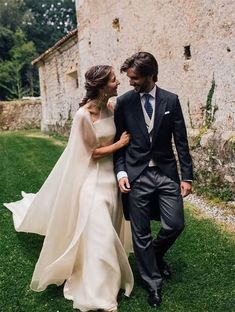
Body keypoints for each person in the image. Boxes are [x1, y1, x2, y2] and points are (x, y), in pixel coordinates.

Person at [4, 65, 134, 312]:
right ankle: (99, 294)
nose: (118, 83)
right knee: (100, 234)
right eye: (114, 80)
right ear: (102, 85)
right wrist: (119, 144)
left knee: (110, 230)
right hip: (93, 181)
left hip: (112, 180)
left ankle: (109, 276)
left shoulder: (111, 108)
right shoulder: (83, 116)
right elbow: (91, 153)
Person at [113, 52, 193, 308]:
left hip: (166, 173)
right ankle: (153, 284)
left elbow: (181, 141)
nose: (131, 82)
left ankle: (154, 256)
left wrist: (187, 177)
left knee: (175, 224)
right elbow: (119, 144)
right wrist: (122, 172)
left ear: (150, 76)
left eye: (135, 78)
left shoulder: (171, 100)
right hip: (137, 176)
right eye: (129, 78)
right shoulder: (124, 103)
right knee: (141, 233)